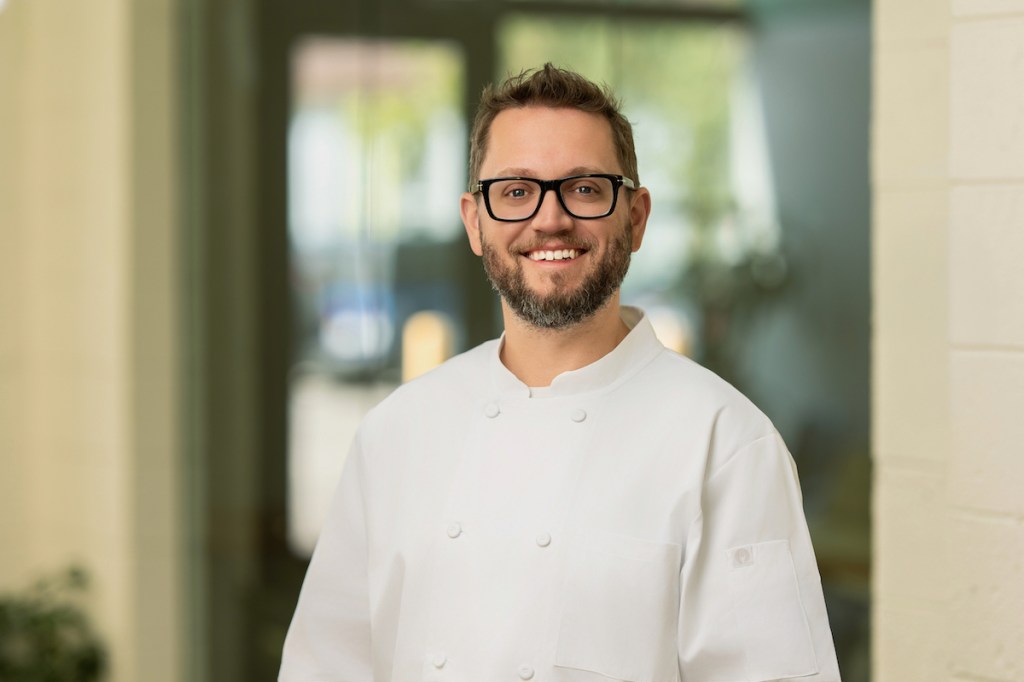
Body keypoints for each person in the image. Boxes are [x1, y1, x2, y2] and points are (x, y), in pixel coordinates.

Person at [280, 63, 841, 682]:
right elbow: (325, 666)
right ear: (474, 221)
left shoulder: (727, 444)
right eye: (516, 191)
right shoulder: (396, 433)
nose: (550, 220)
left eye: (584, 188)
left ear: (635, 217)